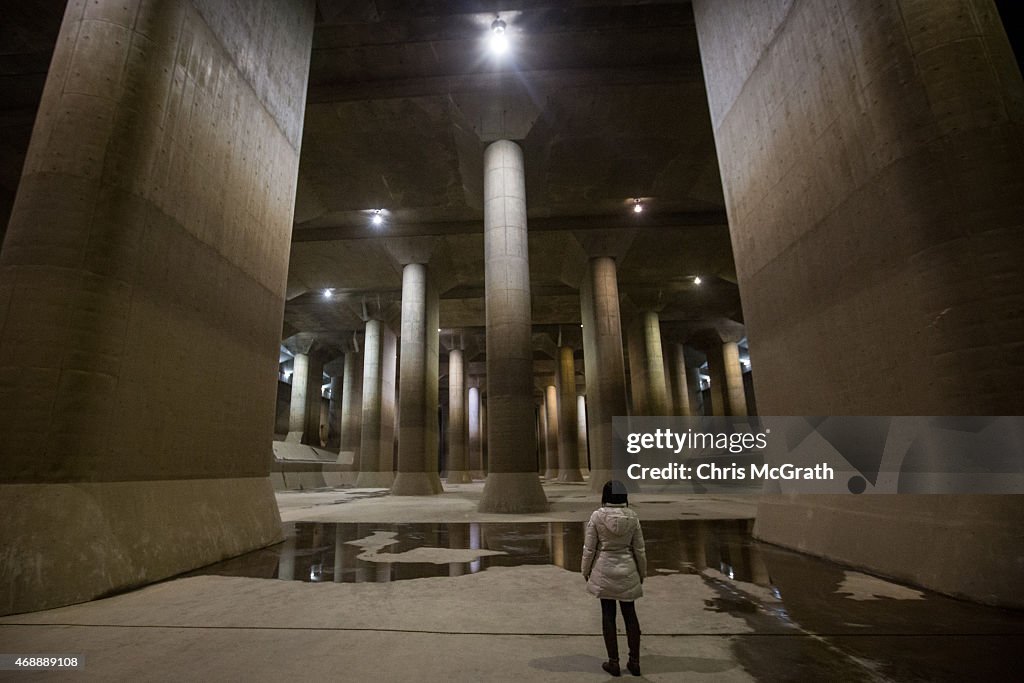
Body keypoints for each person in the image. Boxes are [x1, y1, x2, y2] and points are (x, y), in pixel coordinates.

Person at [581, 480, 647, 677]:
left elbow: (589, 548)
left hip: (604, 570)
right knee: (630, 615)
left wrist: (585, 571)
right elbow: (639, 549)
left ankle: (613, 662)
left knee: (608, 615)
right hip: (628, 569)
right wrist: (641, 572)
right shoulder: (632, 517)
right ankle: (634, 662)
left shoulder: (597, 516)